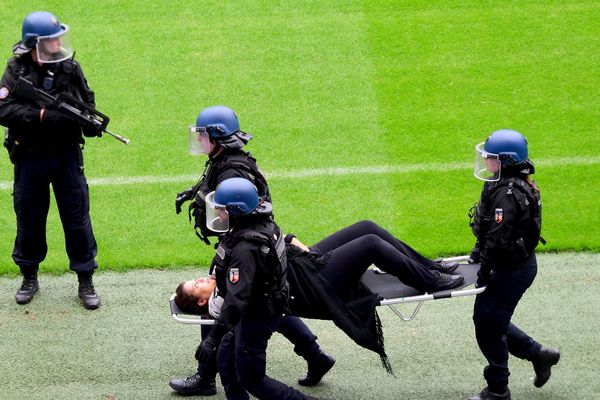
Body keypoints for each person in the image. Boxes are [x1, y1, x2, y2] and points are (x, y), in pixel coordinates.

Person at [177, 179, 465, 398]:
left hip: (308, 275)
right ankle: (430, 279)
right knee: (370, 244)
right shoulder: (258, 222)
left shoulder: (243, 246)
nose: (216, 214)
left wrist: (211, 340)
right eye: (197, 286)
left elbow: (241, 295)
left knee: (367, 229)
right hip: (307, 278)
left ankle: (430, 271)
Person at [170, 106, 334, 396]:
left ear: (217, 136)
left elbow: (235, 204)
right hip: (243, 240)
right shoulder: (222, 159)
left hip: (242, 245)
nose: (198, 140)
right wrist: (194, 194)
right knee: (265, 302)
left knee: (231, 298)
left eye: (203, 134)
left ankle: (206, 376)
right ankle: (314, 354)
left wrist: (213, 338)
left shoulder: (233, 170)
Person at [0, 11, 103, 309]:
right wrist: (41, 116)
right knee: (29, 217)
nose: (58, 41)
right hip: (29, 158)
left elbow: (88, 105)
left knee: (77, 218)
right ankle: (28, 275)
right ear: (36, 44)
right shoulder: (16, 70)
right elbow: (3, 109)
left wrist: (89, 125)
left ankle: (85, 278)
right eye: (52, 38)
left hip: (65, 156)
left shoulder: (70, 69)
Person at [468, 129, 560, 400]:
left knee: (489, 327)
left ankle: (498, 390)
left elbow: (496, 241)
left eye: (491, 157)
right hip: (512, 266)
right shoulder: (501, 185)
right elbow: (486, 230)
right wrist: (476, 254)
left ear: (506, 161)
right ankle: (539, 355)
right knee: (488, 321)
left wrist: (483, 273)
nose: (485, 160)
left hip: (511, 271)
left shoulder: (507, 195)